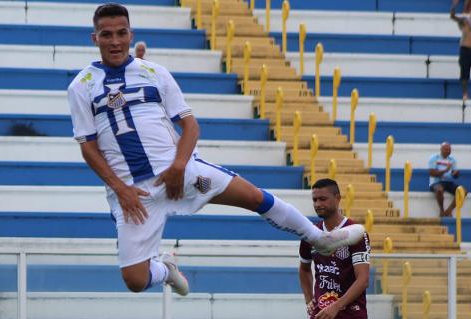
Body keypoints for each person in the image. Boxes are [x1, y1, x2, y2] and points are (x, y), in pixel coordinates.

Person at [68, 3, 365, 296]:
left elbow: (191, 126)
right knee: (134, 280)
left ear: (131, 34)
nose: (115, 41)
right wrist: (121, 189)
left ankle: (319, 239)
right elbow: (88, 147)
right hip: (134, 194)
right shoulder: (82, 86)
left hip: (182, 173)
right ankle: (166, 269)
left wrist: (179, 166)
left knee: (253, 197)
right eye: (106, 35)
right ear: (95, 38)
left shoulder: (154, 72)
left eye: (121, 33)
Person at [299, 179, 370, 319]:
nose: (317, 204)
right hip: (321, 318)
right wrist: (309, 300)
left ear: (337, 198)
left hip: (350, 317)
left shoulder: (355, 233)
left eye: (323, 199)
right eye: (314, 200)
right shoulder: (311, 234)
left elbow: (363, 279)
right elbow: (304, 268)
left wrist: (336, 306)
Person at [429, 143, 461, 217]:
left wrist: (456, 173)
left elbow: (454, 175)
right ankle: (441, 210)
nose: (448, 151)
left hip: (448, 182)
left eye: (449, 149)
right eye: (446, 149)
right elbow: (432, 173)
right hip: (436, 182)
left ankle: (449, 210)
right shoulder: (434, 158)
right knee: (440, 190)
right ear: (441, 149)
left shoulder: (452, 160)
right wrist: (446, 170)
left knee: (463, 191)